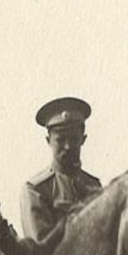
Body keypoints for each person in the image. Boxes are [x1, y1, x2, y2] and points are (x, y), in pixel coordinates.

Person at [22, 96, 102, 241]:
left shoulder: (94, 185)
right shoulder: (36, 190)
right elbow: (42, 244)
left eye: (74, 139)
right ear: (48, 141)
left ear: (83, 139)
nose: (68, 146)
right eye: (60, 140)